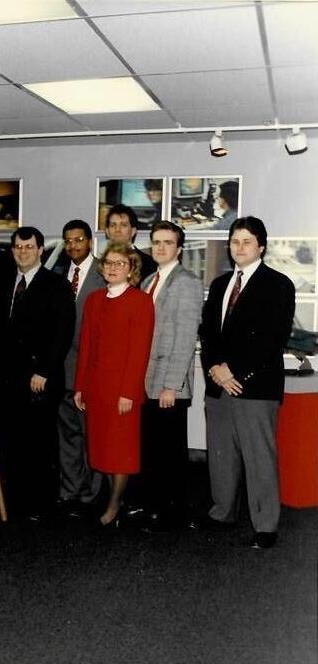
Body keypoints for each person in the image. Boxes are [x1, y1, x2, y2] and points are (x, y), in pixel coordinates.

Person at [198, 216, 295, 549]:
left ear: (261, 247)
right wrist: (214, 368)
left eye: (246, 242)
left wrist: (234, 373)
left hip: (254, 386)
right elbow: (208, 334)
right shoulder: (221, 284)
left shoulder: (278, 284)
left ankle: (265, 526)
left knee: (258, 458)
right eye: (234, 241)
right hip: (218, 385)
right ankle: (222, 511)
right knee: (221, 455)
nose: (238, 248)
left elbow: (273, 338)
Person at [74, 242, 154, 527]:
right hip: (96, 389)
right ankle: (112, 500)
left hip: (122, 391)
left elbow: (139, 353)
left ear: (131, 269)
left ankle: (114, 503)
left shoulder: (140, 301)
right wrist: (80, 387)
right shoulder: (94, 300)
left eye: (120, 263)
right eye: (108, 262)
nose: (112, 268)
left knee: (121, 453)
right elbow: (86, 347)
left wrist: (129, 393)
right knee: (103, 449)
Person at [3, 226, 75, 520]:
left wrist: (43, 371)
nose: (23, 252)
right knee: (15, 441)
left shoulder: (55, 285)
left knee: (41, 443)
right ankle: (17, 501)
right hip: (12, 378)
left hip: (41, 378)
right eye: (19, 247)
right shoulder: (7, 283)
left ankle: (42, 504)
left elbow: (61, 334)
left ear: (41, 250)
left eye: (29, 247)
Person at [139, 221, 204, 533]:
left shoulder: (186, 282)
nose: (160, 247)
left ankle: (170, 513)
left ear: (179, 248)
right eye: (156, 242)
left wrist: (171, 385)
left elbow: (185, 338)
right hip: (148, 382)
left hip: (169, 385)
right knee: (153, 450)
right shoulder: (149, 280)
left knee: (170, 454)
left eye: (167, 242)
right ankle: (157, 507)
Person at [52, 220, 106, 516]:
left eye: (79, 240)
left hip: (91, 370)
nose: (73, 246)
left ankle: (93, 494)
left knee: (92, 435)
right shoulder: (59, 275)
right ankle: (70, 490)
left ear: (90, 242)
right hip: (64, 369)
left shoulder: (103, 274)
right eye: (68, 241)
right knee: (68, 434)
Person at [105, 203, 156, 279]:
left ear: (133, 231)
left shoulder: (149, 264)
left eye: (123, 225)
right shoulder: (101, 264)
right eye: (113, 225)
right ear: (107, 232)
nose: (117, 230)